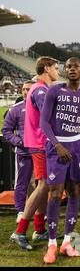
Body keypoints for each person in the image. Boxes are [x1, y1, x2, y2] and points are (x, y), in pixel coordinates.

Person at [39, 57, 80, 264]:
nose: (73, 69)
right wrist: (57, 145)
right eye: (69, 67)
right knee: (55, 193)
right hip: (57, 147)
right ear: (65, 70)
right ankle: (52, 245)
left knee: (75, 191)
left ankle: (67, 242)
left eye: (77, 66)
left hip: (77, 146)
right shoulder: (54, 90)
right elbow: (44, 122)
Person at [10, 57, 59, 250]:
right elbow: (49, 118)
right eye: (55, 68)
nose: (58, 71)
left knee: (43, 186)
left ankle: (39, 230)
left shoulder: (39, 89)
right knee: (43, 186)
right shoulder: (40, 90)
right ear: (46, 69)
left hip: (38, 143)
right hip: (40, 143)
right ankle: (20, 231)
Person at [2, 81, 35, 223]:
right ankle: (21, 211)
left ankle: (39, 211)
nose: (25, 92)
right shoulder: (15, 109)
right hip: (24, 154)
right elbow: (6, 131)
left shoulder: (44, 107)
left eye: (29, 89)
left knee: (42, 184)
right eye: (23, 89)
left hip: (42, 153)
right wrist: (20, 142)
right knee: (22, 183)